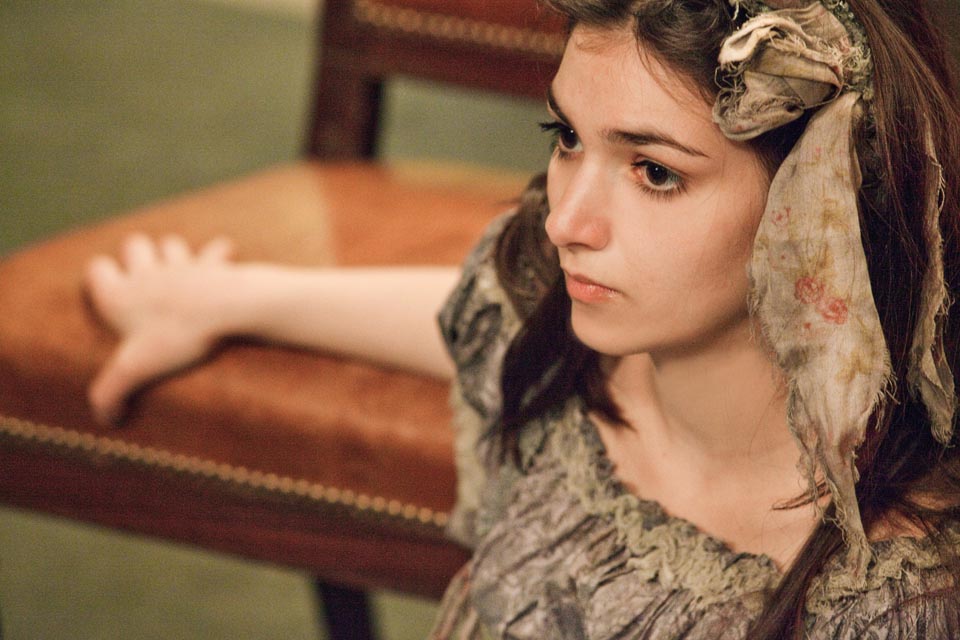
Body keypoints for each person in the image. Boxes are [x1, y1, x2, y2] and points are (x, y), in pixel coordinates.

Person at [84, 0, 960, 637]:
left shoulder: (884, 600)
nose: (566, 219)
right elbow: (472, 311)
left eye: (655, 172)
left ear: (817, 213)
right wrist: (231, 299)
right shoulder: (567, 350)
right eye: (567, 137)